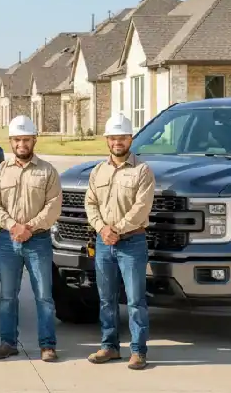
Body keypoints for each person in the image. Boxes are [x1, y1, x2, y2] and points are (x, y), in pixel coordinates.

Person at [0, 115, 62, 362]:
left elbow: (53, 206)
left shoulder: (47, 171)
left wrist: (29, 226)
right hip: (7, 241)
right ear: (11, 141)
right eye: (17, 139)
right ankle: (8, 343)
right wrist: (13, 226)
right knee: (7, 296)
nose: (21, 144)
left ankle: (47, 345)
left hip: (38, 240)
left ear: (34, 140)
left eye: (26, 139)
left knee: (44, 296)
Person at [84, 113, 155, 370]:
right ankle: (110, 346)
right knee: (106, 299)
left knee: (135, 300)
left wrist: (117, 229)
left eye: (122, 137)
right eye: (113, 138)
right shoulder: (98, 171)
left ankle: (138, 351)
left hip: (132, 243)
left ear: (130, 139)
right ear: (107, 140)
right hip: (104, 243)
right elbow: (90, 203)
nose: (117, 142)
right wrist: (103, 229)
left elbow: (141, 207)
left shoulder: (142, 171)